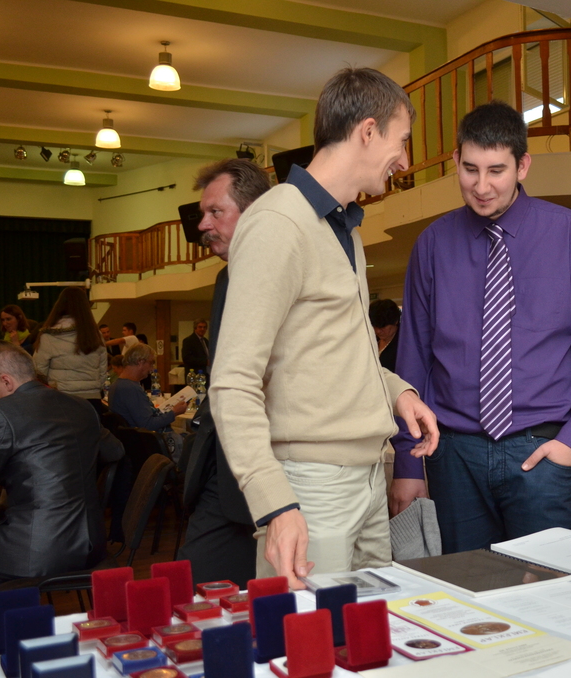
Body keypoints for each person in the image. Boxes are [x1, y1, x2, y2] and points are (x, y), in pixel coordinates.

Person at [211, 67, 438, 588]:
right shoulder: (278, 222)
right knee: (308, 632)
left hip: (367, 477)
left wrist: (398, 392)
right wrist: (275, 503)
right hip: (311, 487)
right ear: (368, 131)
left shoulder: (344, 227)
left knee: (370, 629)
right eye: (402, 140)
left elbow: (335, 349)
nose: (405, 161)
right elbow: (232, 381)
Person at [390, 101, 571, 553]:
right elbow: (412, 359)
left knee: (548, 584)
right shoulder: (431, 245)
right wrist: (407, 462)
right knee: (467, 587)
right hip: (453, 455)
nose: (481, 186)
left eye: (496, 170)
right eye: (470, 169)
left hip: (543, 451)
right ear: (456, 161)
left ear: (523, 166)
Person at [0, 341, 123, 607]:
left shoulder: (0, 412)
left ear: (6, 381)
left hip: (36, 549)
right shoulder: (81, 406)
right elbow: (115, 451)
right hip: (91, 543)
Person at [178, 158, 271, 587]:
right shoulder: (225, 278)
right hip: (224, 465)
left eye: (216, 211)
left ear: (253, 211)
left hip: (268, 470)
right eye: (204, 213)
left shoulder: (280, 269)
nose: (202, 225)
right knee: (194, 587)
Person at [32, 287, 108, 406]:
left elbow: (39, 371)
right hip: (92, 398)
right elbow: (103, 370)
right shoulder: (95, 334)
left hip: (60, 398)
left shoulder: (49, 335)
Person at [108, 343, 187, 430]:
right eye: (151, 363)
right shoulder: (130, 388)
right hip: (147, 437)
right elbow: (148, 425)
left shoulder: (117, 385)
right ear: (140, 362)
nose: (152, 369)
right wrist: (174, 412)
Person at [368, 299, 401, 372]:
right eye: (375, 326)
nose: (378, 331)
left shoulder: (403, 344)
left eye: (382, 326)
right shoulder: (371, 339)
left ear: (395, 321)